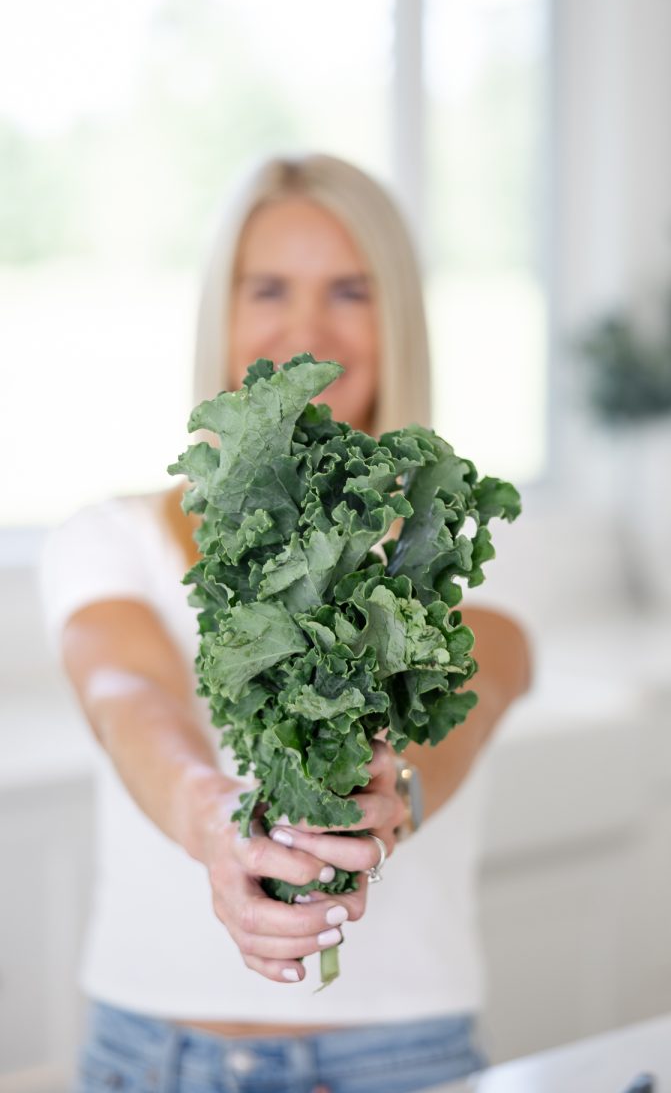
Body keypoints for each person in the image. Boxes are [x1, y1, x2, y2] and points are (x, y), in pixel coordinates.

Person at [40, 153, 531, 1093]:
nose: (306, 327)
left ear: (397, 320)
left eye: (350, 290)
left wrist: (400, 795)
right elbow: (127, 696)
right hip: (150, 1056)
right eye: (268, 287)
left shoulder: (460, 530)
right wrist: (215, 819)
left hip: (401, 1057)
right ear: (219, 313)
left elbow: (482, 689)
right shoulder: (103, 539)